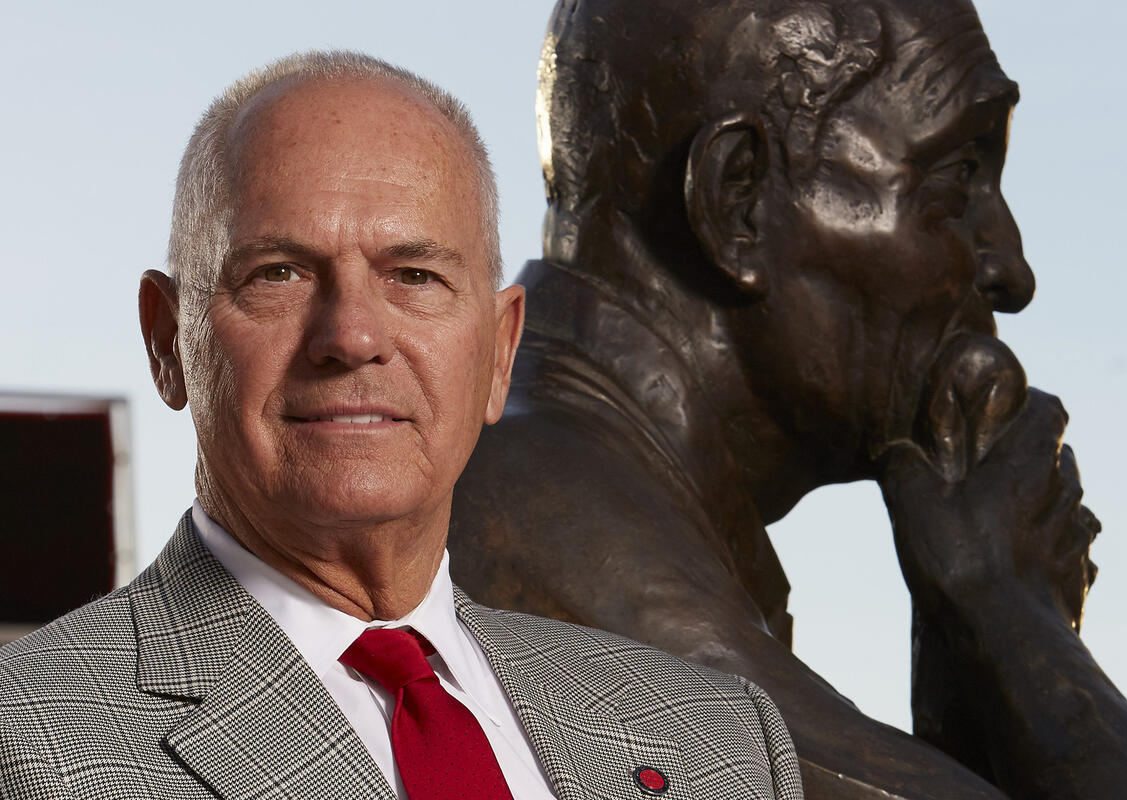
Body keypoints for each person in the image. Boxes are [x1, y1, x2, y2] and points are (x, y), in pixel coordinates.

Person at [0, 52, 803, 800]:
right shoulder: (26, 743)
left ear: (499, 354)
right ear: (168, 342)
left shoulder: (721, 743)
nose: (352, 336)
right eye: (278, 273)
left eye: (414, 275)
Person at [449, 1, 1127, 798]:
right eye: (955, 181)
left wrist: (966, 652)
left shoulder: (586, 479)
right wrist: (1014, 617)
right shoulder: (542, 520)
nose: (1011, 272)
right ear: (737, 201)